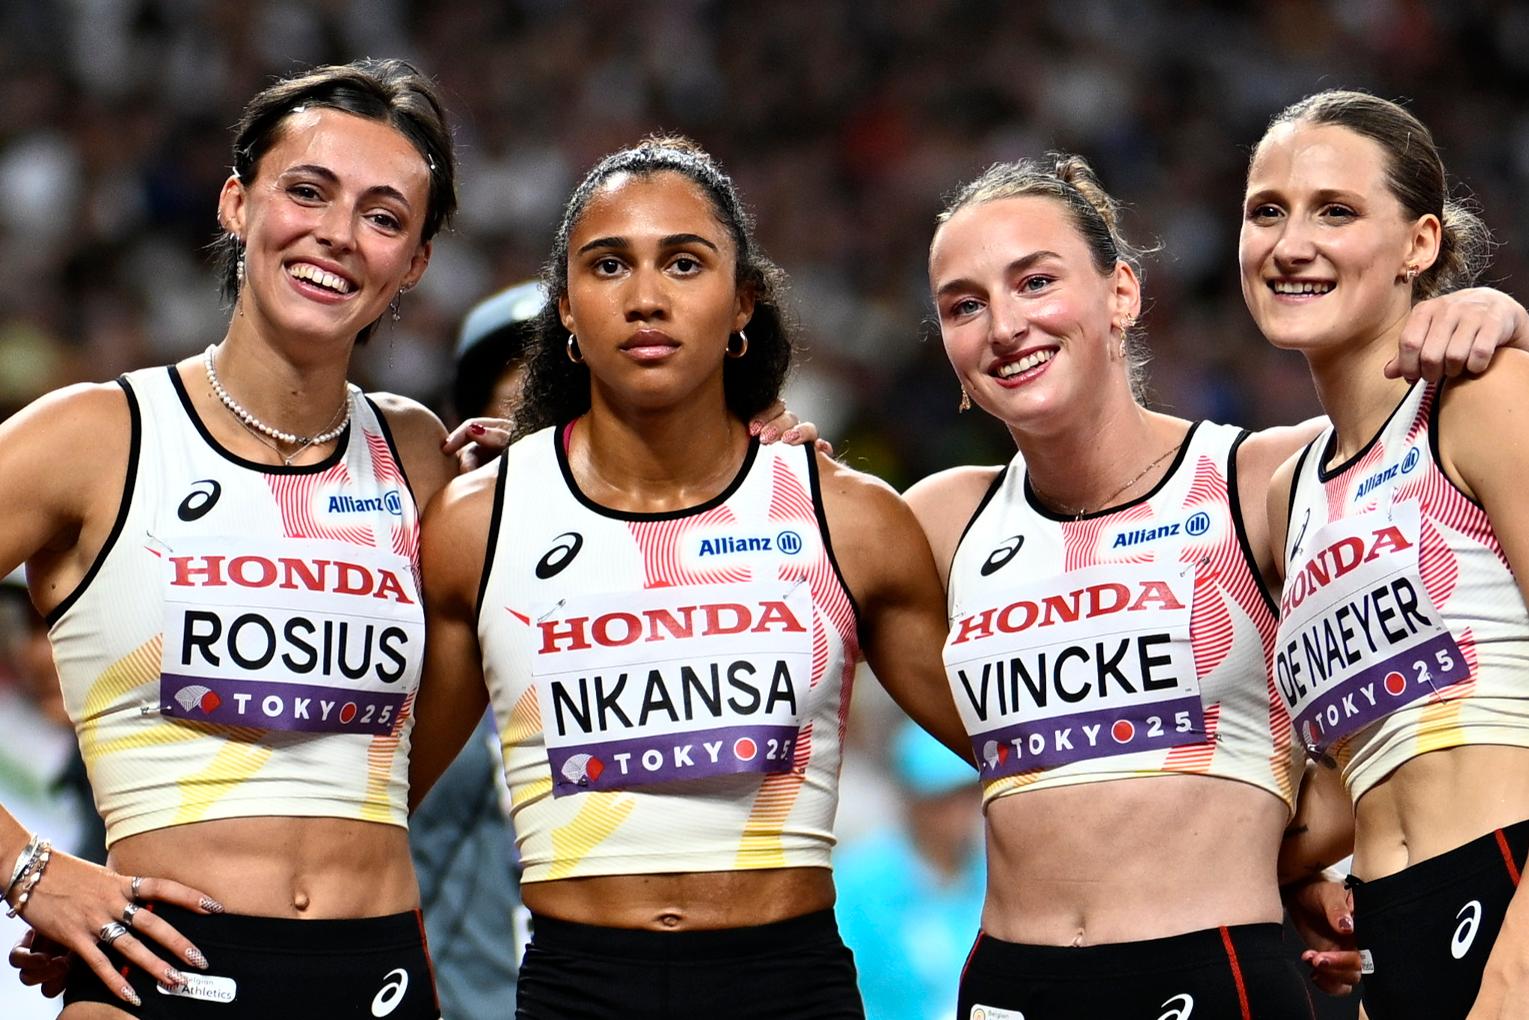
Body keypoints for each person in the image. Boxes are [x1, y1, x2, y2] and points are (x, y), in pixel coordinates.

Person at [904, 152, 1526, 1018]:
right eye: (963, 306)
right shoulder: (938, 521)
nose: (1004, 325)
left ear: (1121, 293)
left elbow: (1427, 672)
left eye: (1035, 281)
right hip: (1010, 984)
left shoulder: (1264, 479)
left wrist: (1488, 315)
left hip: (1214, 972)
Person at [408, 135, 971, 1019]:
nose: (644, 298)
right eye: (606, 266)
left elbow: (1024, 749)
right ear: (563, 308)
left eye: (683, 262)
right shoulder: (476, 525)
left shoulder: (847, 518)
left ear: (742, 298)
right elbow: (371, 791)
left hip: (788, 987)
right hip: (575, 988)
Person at [1, 58, 461, 1017]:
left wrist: (765, 450)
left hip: (379, 977)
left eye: (383, 217)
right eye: (306, 191)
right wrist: (29, 871)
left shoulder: (418, 454)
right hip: (166, 974)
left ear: (412, 263)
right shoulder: (94, 438)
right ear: (236, 203)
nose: (337, 234)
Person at [1246, 90, 1529, 1020]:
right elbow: (1355, 767)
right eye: (1266, 211)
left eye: (1336, 210)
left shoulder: (1482, 398)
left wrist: (1514, 976)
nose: (1291, 242)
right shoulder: (1287, 493)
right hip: (1392, 938)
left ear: (1419, 245)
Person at [834, 720, 984, 1020]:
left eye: (967, 794)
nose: (958, 813)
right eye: (942, 799)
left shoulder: (994, 876)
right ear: (911, 800)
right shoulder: (858, 881)